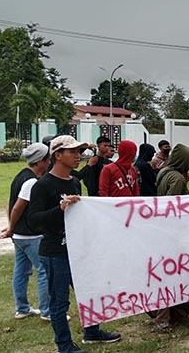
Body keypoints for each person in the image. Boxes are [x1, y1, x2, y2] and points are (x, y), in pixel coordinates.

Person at [29, 135, 121, 353]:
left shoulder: (74, 182)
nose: (78, 156)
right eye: (72, 152)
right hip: (55, 253)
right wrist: (59, 209)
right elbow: (33, 221)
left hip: (79, 250)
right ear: (57, 155)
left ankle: (92, 331)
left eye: (79, 151)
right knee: (60, 303)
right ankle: (64, 344)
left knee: (89, 292)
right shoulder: (42, 185)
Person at [0, 143, 51, 321]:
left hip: (19, 236)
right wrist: (11, 228)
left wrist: (12, 229)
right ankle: (47, 311)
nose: (50, 161)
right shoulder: (31, 182)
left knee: (21, 271)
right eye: (48, 159)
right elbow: (17, 207)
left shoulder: (20, 175)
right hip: (30, 235)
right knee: (44, 271)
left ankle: (22, 308)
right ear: (40, 161)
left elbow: (10, 203)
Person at [154, 143, 189, 331]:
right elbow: (174, 206)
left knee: (169, 275)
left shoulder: (164, 171)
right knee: (173, 276)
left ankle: (170, 314)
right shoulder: (177, 179)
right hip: (175, 232)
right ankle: (165, 318)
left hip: (164, 231)